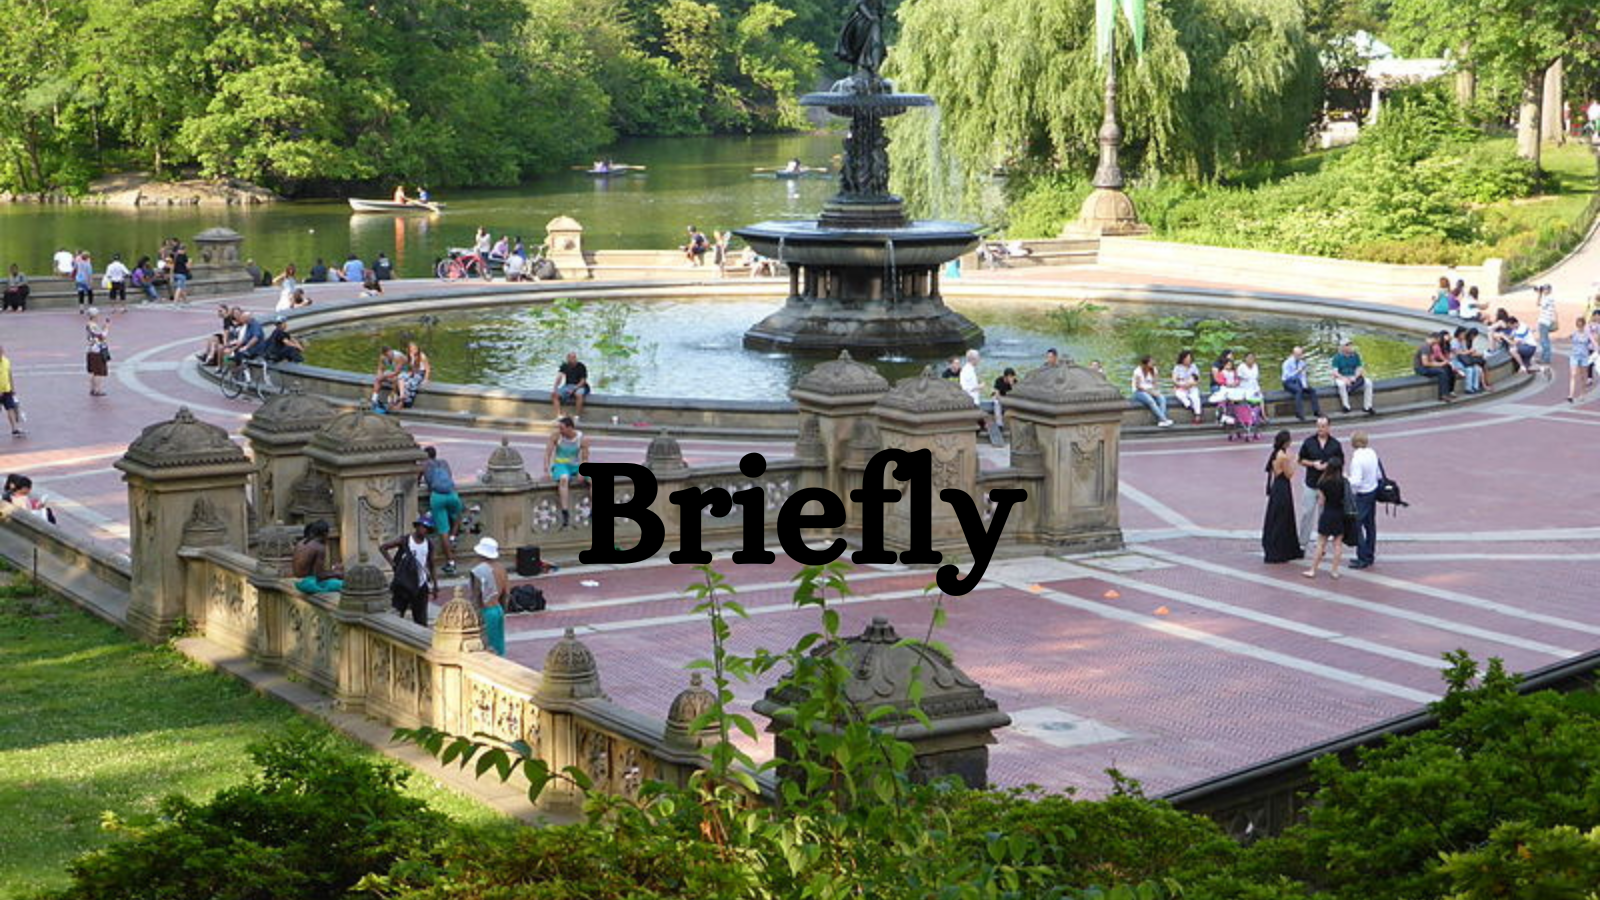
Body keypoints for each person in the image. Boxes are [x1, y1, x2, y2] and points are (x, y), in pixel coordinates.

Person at [380, 514, 440, 626]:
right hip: (404, 583)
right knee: (397, 615)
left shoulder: (429, 544)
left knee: (421, 619)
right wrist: (393, 565)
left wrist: (435, 585)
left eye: (427, 528)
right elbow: (383, 548)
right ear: (417, 527)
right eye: (422, 527)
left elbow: (432, 564)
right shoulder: (405, 540)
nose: (424, 530)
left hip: (421, 584)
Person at [1296, 417, 1342, 554]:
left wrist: (1329, 465)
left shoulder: (1335, 444)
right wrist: (1312, 464)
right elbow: (1300, 460)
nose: (1320, 429)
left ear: (1329, 427)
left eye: (1323, 426)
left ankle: (1320, 544)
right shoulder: (1309, 442)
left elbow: (1340, 461)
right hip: (1311, 483)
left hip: (1327, 486)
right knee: (1306, 513)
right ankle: (1302, 543)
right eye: (1318, 426)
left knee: (1324, 516)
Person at [1303, 458, 1352, 580]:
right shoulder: (1343, 481)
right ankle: (1334, 571)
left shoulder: (1322, 482)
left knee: (1321, 543)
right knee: (1337, 544)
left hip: (1327, 513)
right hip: (1339, 513)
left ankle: (1313, 569)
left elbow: (1321, 502)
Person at [419, 446, 462, 575]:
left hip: (437, 497)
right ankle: (453, 537)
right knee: (457, 516)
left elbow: (418, 478)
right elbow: (449, 476)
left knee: (443, 530)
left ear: (426, 456)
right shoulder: (444, 463)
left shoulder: (425, 464)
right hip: (452, 494)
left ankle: (451, 563)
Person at [1261, 430, 1302, 564]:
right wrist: (1295, 461)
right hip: (1282, 487)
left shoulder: (1275, 454)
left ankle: (1278, 548)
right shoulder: (1282, 456)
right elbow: (1289, 474)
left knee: (1276, 517)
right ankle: (1280, 550)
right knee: (1283, 518)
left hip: (1277, 487)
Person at [545, 416, 589, 528]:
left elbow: (585, 458)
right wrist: (547, 469)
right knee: (564, 479)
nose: (560, 430)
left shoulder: (582, 439)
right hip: (560, 464)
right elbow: (548, 453)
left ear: (570, 428)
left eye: (562, 428)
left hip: (575, 465)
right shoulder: (556, 436)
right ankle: (565, 511)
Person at [469, 536, 508, 656]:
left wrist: (473, 615)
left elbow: (476, 596)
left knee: (487, 645)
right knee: (499, 645)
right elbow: (506, 594)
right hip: (498, 609)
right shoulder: (501, 568)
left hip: (486, 611)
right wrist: (503, 611)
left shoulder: (478, 571)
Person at [1345, 431, 1380, 570]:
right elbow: (1378, 474)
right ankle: (1370, 554)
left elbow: (1356, 482)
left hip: (1362, 494)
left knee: (1356, 524)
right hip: (1373, 490)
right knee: (1370, 525)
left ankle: (1363, 556)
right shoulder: (1372, 453)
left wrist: (1346, 478)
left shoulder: (1357, 459)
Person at [291, 520, 343, 594]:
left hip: (297, 580)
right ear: (325, 534)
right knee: (343, 584)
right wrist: (337, 574)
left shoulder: (301, 542)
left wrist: (333, 571)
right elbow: (319, 575)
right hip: (308, 584)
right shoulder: (319, 547)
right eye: (328, 534)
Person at [1329, 341, 1375, 414]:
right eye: (1348, 345)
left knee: (1368, 383)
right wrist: (1344, 379)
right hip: (1342, 377)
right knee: (1341, 385)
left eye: (1350, 345)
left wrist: (1355, 377)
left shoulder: (1355, 355)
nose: (1351, 347)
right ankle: (1346, 406)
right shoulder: (1337, 357)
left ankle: (1367, 406)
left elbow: (1359, 368)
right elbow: (1335, 372)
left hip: (1353, 376)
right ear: (1343, 347)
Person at [1280, 346, 1322, 421]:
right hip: (1288, 382)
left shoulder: (1302, 363)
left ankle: (1316, 411)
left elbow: (1303, 376)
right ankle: (1299, 413)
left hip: (1298, 382)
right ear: (1293, 354)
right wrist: (1297, 372)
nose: (1300, 356)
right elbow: (1287, 376)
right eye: (1298, 355)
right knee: (1298, 391)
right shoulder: (1286, 363)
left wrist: (1304, 385)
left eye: (1300, 354)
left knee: (1312, 391)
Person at [1131, 356, 1173, 427]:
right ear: (1145, 364)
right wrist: (1149, 392)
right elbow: (1138, 386)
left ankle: (1161, 421)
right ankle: (1164, 419)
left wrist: (1156, 391)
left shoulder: (1154, 370)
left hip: (1151, 390)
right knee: (1150, 401)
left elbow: (1155, 383)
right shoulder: (1138, 371)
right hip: (1139, 391)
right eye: (1151, 362)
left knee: (1162, 398)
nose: (1153, 363)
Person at [1412, 333, 1455, 401]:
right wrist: (1440, 364)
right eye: (1438, 340)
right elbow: (1425, 363)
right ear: (1435, 339)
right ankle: (1443, 395)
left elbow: (1432, 360)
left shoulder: (1430, 346)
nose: (1439, 342)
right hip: (1421, 368)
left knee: (1446, 369)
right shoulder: (1425, 347)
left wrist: (1442, 363)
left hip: (1426, 367)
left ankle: (1448, 392)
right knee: (1442, 372)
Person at [551, 351, 590, 419]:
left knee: (578, 394)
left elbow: (583, 381)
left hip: (581, 386)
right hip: (568, 385)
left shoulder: (581, 366)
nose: (573, 359)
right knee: (554, 395)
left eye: (574, 357)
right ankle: (559, 416)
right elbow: (559, 377)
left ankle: (577, 416)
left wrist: (574, 389)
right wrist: (555, 388)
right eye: (571, 358)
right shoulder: (565, 365)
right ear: (568, 359)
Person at [371, 345, 407, 411]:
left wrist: (385, 376)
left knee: (395, 379)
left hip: (403, 372)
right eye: (387, 354)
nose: (390, 355)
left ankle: (393, 401)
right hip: (392, 371)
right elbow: (380, 368)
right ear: (384, 354)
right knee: (377, 380)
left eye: (390, 353)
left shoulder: (398, 357)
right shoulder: (382, 357)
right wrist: (379, 375)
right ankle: (374, 400)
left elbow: (397, 372)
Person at [1172, 350, 1203, 423]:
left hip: (1192, 385)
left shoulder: (1194, 366)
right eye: (1186, 359)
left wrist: (1191, 384)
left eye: (1189, 359)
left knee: (1195, 397)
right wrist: (1180, 385)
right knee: (1179, 394)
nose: (1188, 360)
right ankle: (1189, 405)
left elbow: (1198, 379)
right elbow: (1174, 379)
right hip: (1181, 385)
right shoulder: (1177, 367)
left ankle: (1198, 415)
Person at [1448, 327, 1482, 395]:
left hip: (1464, 360)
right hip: (1456, 361)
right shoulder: (1454, 342)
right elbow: (1457, 353)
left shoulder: (1463, 341)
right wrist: (1469, 351)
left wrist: (1470, 352)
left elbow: (1465, 351)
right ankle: (1468, 388)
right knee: (1469, 370)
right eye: (1463, 334)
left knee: (1476, 368)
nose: (1464, 335)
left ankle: (1475, 387)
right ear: (1459, 334)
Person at [85, 309, 110, 396]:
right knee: (98, 372)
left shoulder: (90, 324)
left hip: (91, 349)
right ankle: (98, 390)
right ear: (94, 315)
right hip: (97, 350)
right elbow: (102, 336)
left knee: (93, 371)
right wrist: (106, 328)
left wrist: (102, 329)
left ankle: (92, 389)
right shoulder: (93, 325)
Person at [1570, 316, 1593, 403]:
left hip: (1584, 357)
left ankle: (1583, 393)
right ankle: (1571, 395)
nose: (1579, 326)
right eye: (1578, 325)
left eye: (1581, 325)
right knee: (1573, 375)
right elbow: (1573, 343)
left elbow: (1592, 343)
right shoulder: (1574, 333)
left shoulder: (1587, 334)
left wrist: (1596, 350)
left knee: (1583, 376)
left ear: (1583, 325)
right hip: (1575, 356)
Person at [0, 345, 21, 436]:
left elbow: (9, 375)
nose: (1, 353)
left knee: (11, 409)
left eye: (1, 351)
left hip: (7, 390)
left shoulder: (6, 361)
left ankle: (14, 429)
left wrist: (13, 388)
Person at [401, 342, 430, 407]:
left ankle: (409, 402)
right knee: (403, 380)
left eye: (415, 348)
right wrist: (412, 359)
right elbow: (410, 368)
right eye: (412, 349)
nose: (414, 350)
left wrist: (426, 379)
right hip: (413, 372)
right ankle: (403, 400)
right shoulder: (409, 355)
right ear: (409, 349)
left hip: (420, 373)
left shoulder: (422, 356)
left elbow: (428, 369)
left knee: (411, 383)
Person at [1536, 284, 1557, 365]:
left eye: (1546, 289)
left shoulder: (1548, 298)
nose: (1544, 291)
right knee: (1545, 340)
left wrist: (1539, 294)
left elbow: (1538, 303)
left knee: (1544, 341)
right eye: (1544, 289)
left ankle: (1546, 359)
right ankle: (1544, 358)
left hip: (1544, 321)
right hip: (1546, 321)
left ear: (1550, 290)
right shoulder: (1548, 298)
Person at [991, 367, 1018, 432]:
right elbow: (996, 393)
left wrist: (1012, 384)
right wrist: (1002, 400)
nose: (1011, 378)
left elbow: (1016, 393)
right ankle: (999, 424)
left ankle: (1015, 425)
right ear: (1005, 377)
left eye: (1012, 376)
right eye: (1009, 377)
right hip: (999, 397)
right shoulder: (999, 380)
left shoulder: (1015, 381)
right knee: (997, 404)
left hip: (1009, 398)